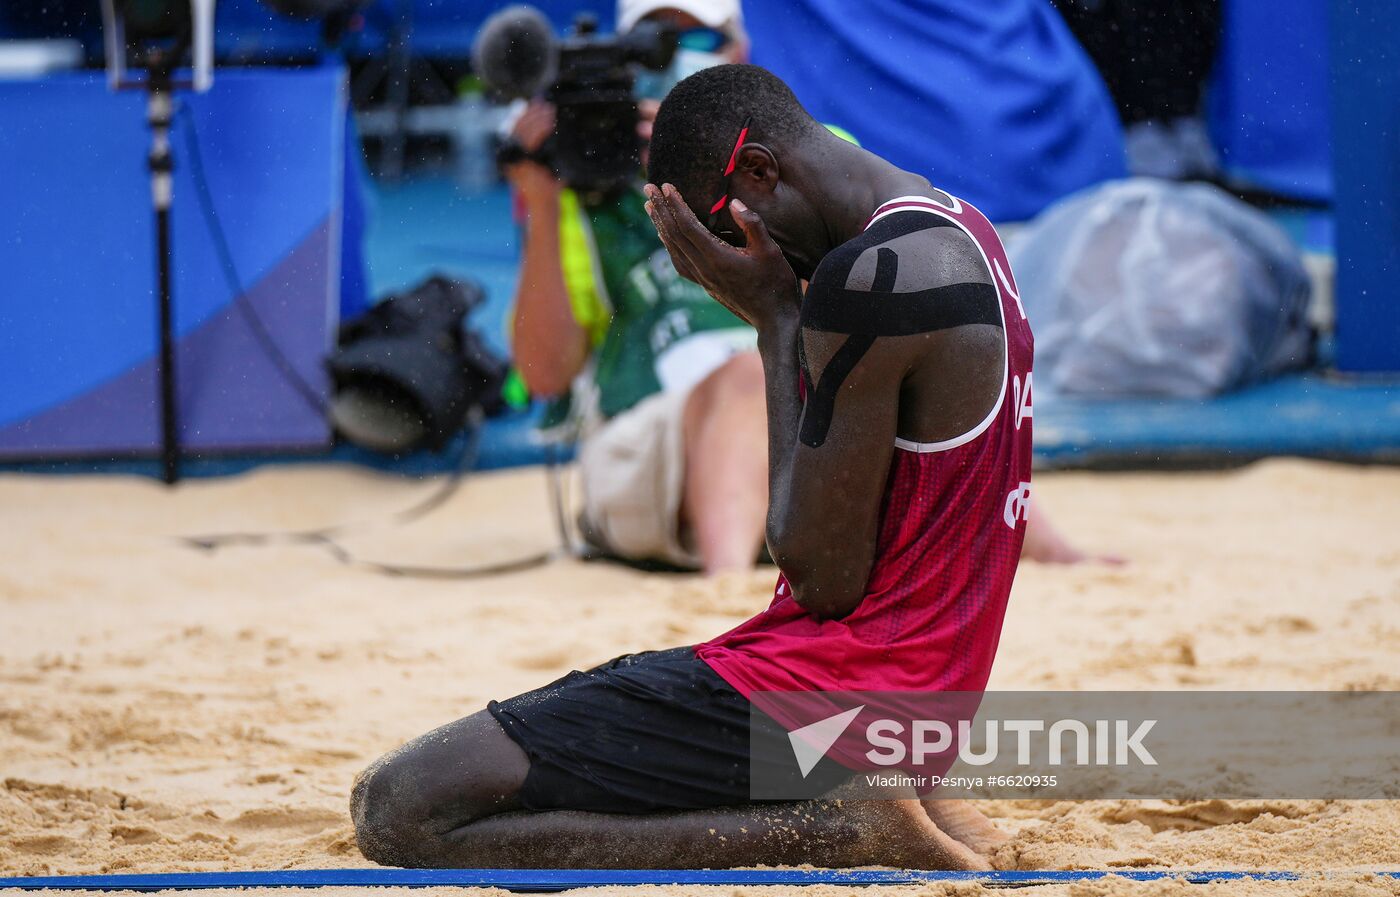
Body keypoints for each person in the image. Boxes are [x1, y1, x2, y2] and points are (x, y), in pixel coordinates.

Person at [350, 64, 1034, 871]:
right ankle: (876, 798)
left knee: (400, 806)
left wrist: (775, 322)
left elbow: (822, 578)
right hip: (919, 702)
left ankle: (837, 829)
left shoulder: (869, 280)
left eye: (721, 234)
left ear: (758, 172)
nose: (726, 263)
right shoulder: (963, 227)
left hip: (828, 697)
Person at [507, 1, 1110, 574]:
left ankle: (1039, 542)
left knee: (909, 350)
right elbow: (545, 375)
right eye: (653, 48)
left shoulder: (810, 154)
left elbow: (875, 307)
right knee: (747, 376)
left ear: (740, 47)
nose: (673, 62)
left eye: (694, 40)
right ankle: (726, 584)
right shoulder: (579, 186)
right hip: (648, 444)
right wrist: (542, 198)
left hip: (809, 429)